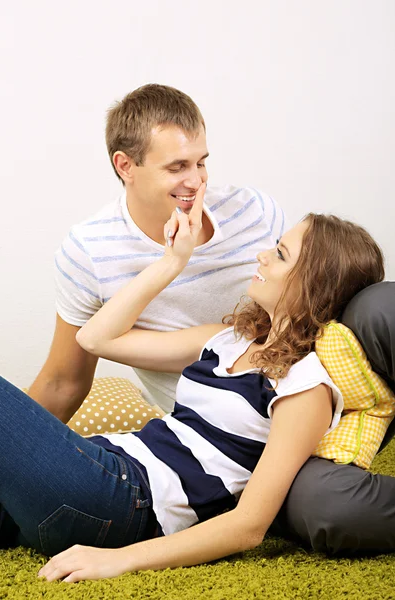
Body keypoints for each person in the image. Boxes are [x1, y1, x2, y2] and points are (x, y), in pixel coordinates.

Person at [27, 83, 395, 554]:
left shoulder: (254, 212)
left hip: (310, 389)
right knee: (324, 506)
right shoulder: (101, 259)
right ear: (126, 167)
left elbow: (317, 284)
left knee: (381, 305)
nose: (197, 180)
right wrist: (169, 263)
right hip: (203, 438)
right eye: (177, 166)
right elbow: (73, 367)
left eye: (201, 162)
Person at [0, 186, 386, 583]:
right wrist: (171, 262)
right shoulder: (225, 339)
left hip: (121, 499)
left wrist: (119, 559)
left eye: (279, 254)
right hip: (94, 472)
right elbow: (96, 339)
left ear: (314, 284)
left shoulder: (305, 386)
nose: (261, 256)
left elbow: (248, 526)